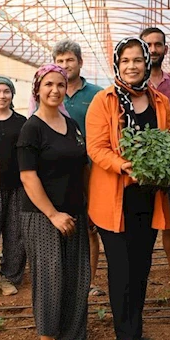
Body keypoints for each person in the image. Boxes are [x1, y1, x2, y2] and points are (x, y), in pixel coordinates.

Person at [87, 37, 170, 340]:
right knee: (121, 268)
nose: (133, 65)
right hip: (115, 198)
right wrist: (126, 166)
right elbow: (96, 148)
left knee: (141, 266)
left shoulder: (160, 101)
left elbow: (168, 142)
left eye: (138, 59)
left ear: (147, 62)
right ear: (117, 64)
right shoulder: (104, 101)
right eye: (126, 61)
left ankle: (133, 329)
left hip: (148, 197)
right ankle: (124, 338)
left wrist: (164, 167)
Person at [18, 64, 91, 340]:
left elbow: (82, 167)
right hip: (42, 215)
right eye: (48, 84)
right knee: (50, 277)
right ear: (38, 89)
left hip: (73, 210)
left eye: (60, 85)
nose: (55, 90)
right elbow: (28, 177)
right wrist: (53, 214)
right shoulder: (31, 128)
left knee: (76, 273)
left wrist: (86, 207)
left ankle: (69, 337)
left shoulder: (71, 124)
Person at [53, 40, 106, 297]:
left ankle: (89, 281)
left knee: (89, 225)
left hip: (92, 170)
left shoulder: (96, 94)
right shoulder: (50, 91)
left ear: (80, 63)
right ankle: (63, 280)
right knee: (60, 223)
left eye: (69, 60)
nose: (64, 66)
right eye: (60, 61)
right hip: (59, 172)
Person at [140, 27, 170, 291]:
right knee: (141, 220)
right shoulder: (133, 81)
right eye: (148, 45)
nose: (154, 49)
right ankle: (140, 275)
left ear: (165, 49)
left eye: (158, 45)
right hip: (142, 161)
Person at [0, 76, 28, 297]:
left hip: (17, 187)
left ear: (12, 95)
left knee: (15, 234)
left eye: (6, 91)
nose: (2, 96)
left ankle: (9, 277)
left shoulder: (21, 122)